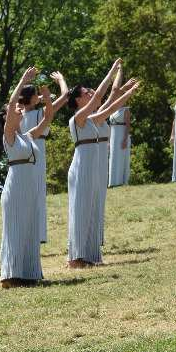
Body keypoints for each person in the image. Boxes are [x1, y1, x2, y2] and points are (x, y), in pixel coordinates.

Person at [67, 59, 140, 268]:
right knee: (81, 209)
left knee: (92, 208)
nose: (90, 95)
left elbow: (111, 104)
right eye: (86, 94)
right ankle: (76, 257)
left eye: (90, 93)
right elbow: (101, 96)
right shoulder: (78, 119)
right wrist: (111, 71)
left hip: (94, 167)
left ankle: (89, 254)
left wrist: (128, 93)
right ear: (79, 100)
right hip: (81, 168)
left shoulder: (94, 119)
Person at [0, 70, 59, 287]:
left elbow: (48, 118)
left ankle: (28, 273)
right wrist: (23, 81)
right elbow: (13, 101)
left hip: (30, 187)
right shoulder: (9, 136)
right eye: (14, 110)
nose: (18, 110)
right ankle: (10, 276)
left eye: (18, 109)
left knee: (29, 228)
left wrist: (48, 98)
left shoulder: (29, 135)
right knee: (15, 228)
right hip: (15, 188)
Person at [19, 72, 69, 244]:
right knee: (38, 191)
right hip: (37, 149)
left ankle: (26, 231)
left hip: (22, 152)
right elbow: (65, 97)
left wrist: (38, 98)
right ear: (33, 98)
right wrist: (61, 80)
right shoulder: (40, 114)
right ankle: (38, 234)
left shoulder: (17, 115)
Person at [108, 99, 131, 187]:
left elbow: (128, 125)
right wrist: (108, 141)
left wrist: (125, 139)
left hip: (121, 135)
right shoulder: (112, 109)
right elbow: (110, 126)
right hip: (113, 136)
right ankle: (113, 182)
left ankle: (121, 181)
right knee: (113, 158)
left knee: (121, 157)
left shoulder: (126, 110)